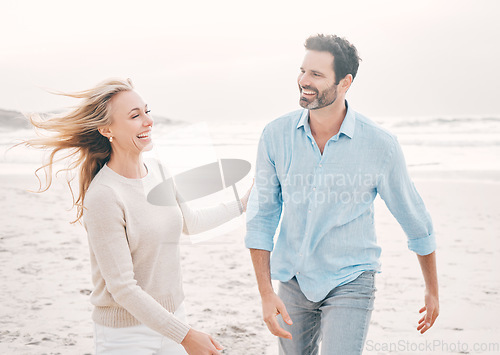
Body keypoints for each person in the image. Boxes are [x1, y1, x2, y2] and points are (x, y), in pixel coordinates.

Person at [21, 78, 250, 355]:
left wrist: (243, 203)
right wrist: (187, 336)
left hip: (175, 318)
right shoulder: (104, 195)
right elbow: (123, 288)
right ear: (107, 129)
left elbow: (191, 223)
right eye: (135, 115)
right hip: (126, 336)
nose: (148, 121)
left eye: (146, 111)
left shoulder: (159, 170)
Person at [245, 34, 439, 354]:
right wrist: (266, 293)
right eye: (303, 70)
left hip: (351, 278)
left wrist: (432, 289)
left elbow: (415, 218)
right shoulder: (274, 136)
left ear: (345, 82)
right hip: (292, 278)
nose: (303, 81)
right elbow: (262, 216)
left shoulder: (380, 145)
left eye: (316, 75)